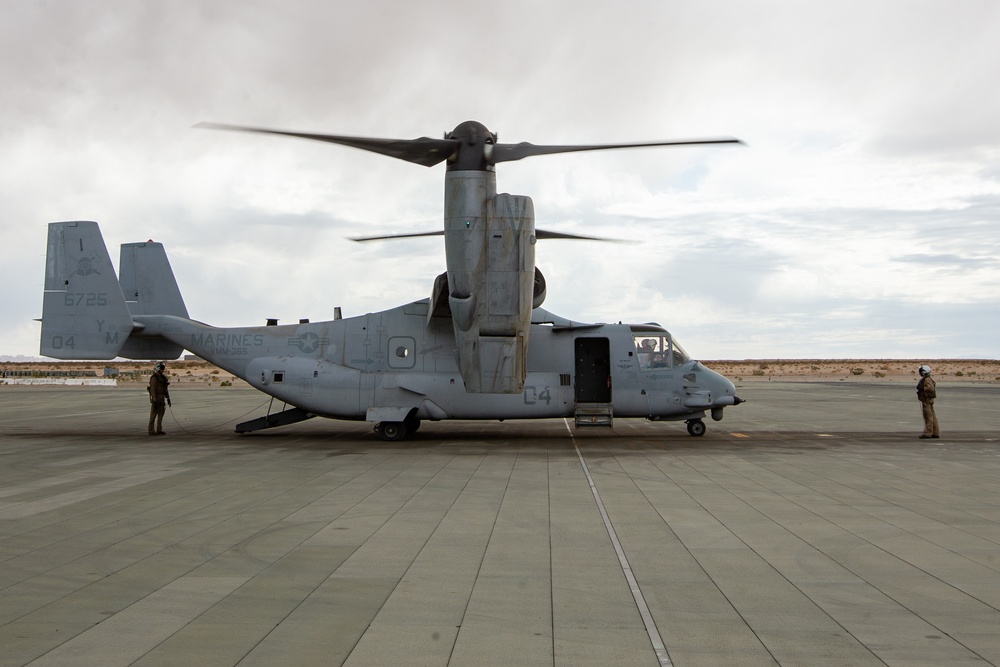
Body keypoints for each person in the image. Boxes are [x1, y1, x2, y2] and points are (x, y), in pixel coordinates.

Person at [916, 364, 939, 439]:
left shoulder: (927, 379)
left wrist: (923, 388)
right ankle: (935, 432)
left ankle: (928, 433)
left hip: (927, 400)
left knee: (928, 416)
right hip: (928, 400)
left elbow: (931, 388)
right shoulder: (928, 379)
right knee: (932, 416)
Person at [148, 361, 171, 435]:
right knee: (153, 415)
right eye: (162, 368)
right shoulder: (154, 378)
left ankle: (159, 429)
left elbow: (165, 389)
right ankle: (151, 430)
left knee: (161, 415)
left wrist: (168, 398)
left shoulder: (163, 378)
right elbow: (152, 388)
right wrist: (154, 398)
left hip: (162, 397)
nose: (162, 370)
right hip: (157, 397)